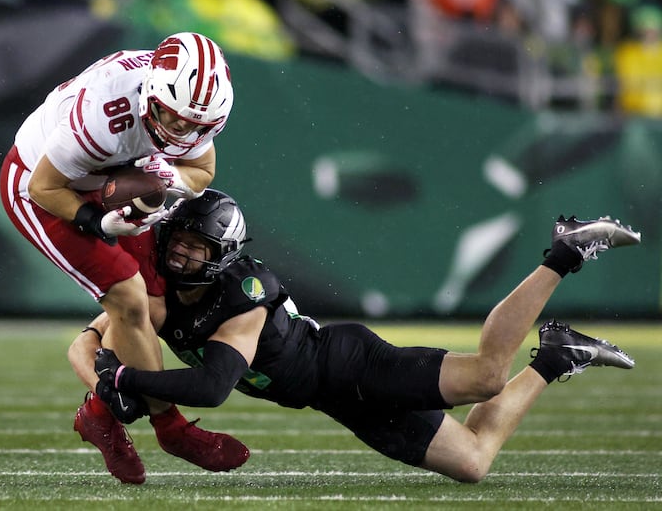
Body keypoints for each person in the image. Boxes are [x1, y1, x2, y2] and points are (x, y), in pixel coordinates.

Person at [74, 189, 641, 481]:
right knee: (472, 462)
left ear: (222, 255)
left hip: (348, 364)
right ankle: (556, 355)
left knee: (488, 375)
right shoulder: (149, 295)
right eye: (178, 240)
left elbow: (213, 386)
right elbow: (86, 344)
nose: (181, 254)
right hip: (334, 399)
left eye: (197, 247)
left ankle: (564, 251)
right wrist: (104, 381)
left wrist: (125, 378)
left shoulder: (242, 295)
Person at [0, 32, 247, 485]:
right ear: (152, 94)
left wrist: (166, 176)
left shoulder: (189, 107)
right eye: (171, 117)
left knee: (153, 307)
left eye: (192, 125)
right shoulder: (105, 112)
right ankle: (171, 428)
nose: (179, 131)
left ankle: (98, 413)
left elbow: (201, 170)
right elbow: (43, 187)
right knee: (130, 300)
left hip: (108, 178)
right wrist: (98, 222)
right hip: (41, 186)